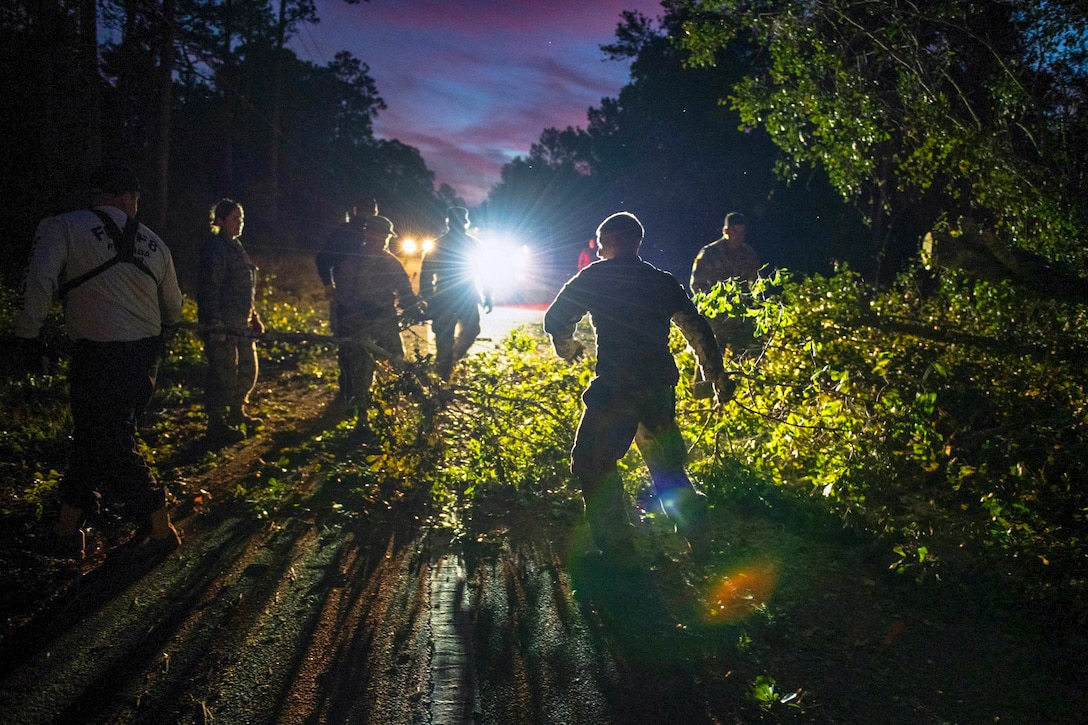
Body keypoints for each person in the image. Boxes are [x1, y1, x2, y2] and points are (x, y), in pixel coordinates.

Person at [544, 212, 734, 568]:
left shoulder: (594, 277)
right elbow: (697, 330)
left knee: (591, 462)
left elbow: (556, 320)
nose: (599, 252)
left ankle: (618, 550)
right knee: (667, 467)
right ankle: (696, 529)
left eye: (601, 245)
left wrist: (567, 349)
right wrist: (716, 377)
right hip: (659, 386)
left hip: (616, 388)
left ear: (612, 242)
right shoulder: (660, 281)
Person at [14, 162, 184, 559]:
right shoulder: (155, 243)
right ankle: (65, 531)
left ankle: (159, 525)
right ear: (127, 197)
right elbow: (173, 308)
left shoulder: (62, 227)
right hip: (145, 359)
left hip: (97, 356)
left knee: (109, 439)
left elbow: (39, 280)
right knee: (98, 438)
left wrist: (28, 333)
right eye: (136, 199)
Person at [332, 214, 422, 442]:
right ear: (367, 233)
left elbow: (403, 289)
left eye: (384, 236)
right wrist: (360, 309)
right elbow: (343, 294)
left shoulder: (390, 261)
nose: (381, 239)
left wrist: (414, 307)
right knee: (362, 373)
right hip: (359, 325)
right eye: (377, 234)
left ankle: (392, 414)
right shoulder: (353, 260)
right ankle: (362, 421)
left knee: (396, 362)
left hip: (385, 321)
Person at [197, 198, 264, 444]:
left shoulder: (237, 247)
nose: (240, 223)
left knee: (248, 369)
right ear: (221, 221)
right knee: (223, 374)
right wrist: (215, 322)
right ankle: (217, 422)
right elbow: (209, 288)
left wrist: (253, 317)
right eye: (235, 218)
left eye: (242, 218)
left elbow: (245, 287)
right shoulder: (216, 249)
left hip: (241, 323)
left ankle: (237, 412)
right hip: (222, 325)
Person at [419, 206, 492, 381]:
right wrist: (488, 295)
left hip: (455, 297)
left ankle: (448, 364)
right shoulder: (467, 244)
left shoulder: (445, 244)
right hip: (454, 297)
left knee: (463, 333)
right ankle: (444, 371)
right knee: (450, 336)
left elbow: (484, 272)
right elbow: (426, 274)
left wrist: (488, 295)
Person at [315, 198, 378, 400]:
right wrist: (329, 284)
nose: (367, 216)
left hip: (361, 300)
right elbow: (323, 259)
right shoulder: (346, 233)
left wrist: (328, 284)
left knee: (353, 345)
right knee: (352, 345)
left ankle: (354, 390)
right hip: (349, 300)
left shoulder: (372, 235)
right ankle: (352, 390)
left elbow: (322, 259)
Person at [689, 211, 761, 351]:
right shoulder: (709, 253)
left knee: (745, 355)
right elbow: (696, 284)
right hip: (715, 319)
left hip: (741, 318)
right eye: (735, 232)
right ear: (725, 231)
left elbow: (757, 283)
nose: (738, 236)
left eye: (742, 233)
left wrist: (752, 305)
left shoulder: (748, 254)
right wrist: (715, 305)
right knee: (711, 357)